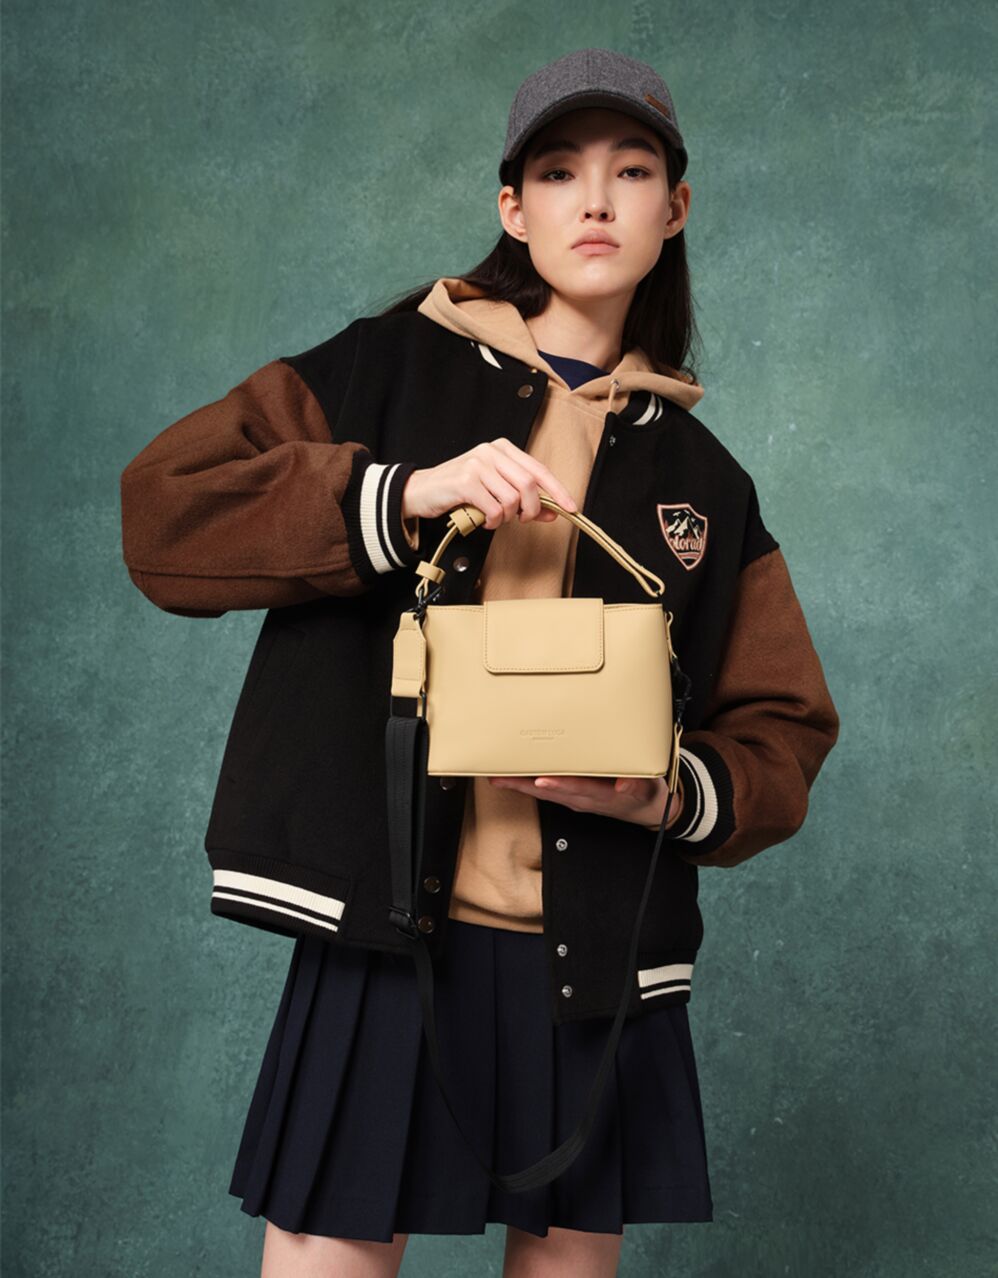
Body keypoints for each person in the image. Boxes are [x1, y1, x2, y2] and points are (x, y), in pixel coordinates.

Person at [120, 48, 840, 1278]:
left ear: (675, 208)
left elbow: (782, 731)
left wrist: (664, 793)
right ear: (512, 207)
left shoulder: (706, 482)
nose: (594, 200)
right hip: (386, 934)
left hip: (591, 958)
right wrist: (398, 492)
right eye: (557, 172)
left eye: (631, 171)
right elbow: (162, 515)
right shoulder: (383, 365)